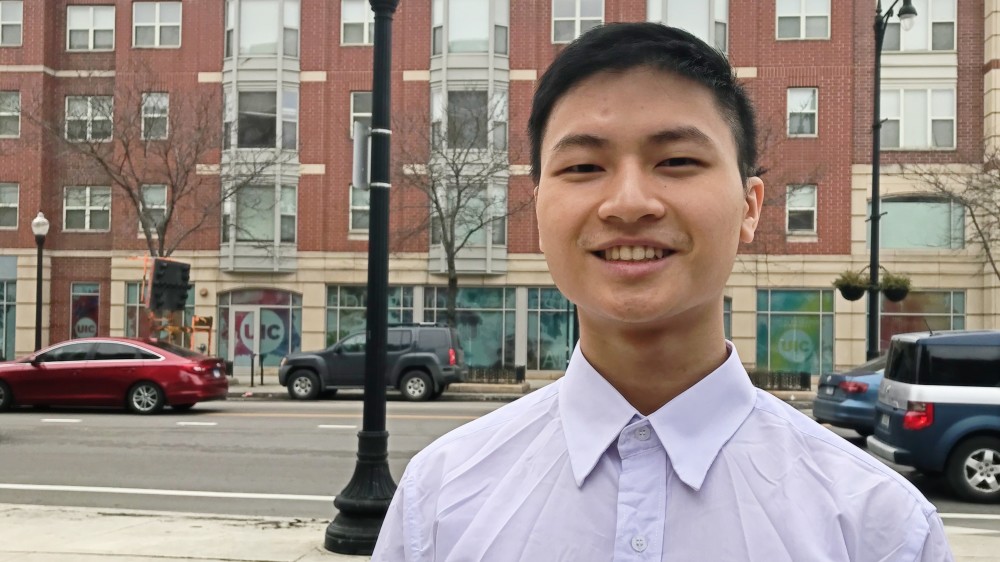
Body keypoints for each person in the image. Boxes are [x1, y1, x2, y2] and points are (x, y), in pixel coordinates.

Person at [372, 22, 952, 561]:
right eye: (582, 168)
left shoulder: (880, 527)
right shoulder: (441, 502)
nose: (628, 203)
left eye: (676, 160)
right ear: (537, 208)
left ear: (750, 207)